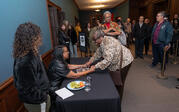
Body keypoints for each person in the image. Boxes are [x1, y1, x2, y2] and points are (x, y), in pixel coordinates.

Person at [83, 27, 134, 100]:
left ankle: (118, 101)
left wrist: (94, 67)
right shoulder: (103, 40)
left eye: (95, 40)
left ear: (100, 37)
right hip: (117, 60)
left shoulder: (109, 44)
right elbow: (98, 53)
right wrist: (90, 61)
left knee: (120, 83)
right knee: (114, 80)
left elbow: (107, 61)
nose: (95, 42)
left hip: (125, 61)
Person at [13, 22, 50, 112]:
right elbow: (27, 91)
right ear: (30, 38)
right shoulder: (25, 61)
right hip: (38, 102)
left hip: (42, 96)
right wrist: (44, 96)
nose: (40, 37)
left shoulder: (32, 53)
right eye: (38, 35)